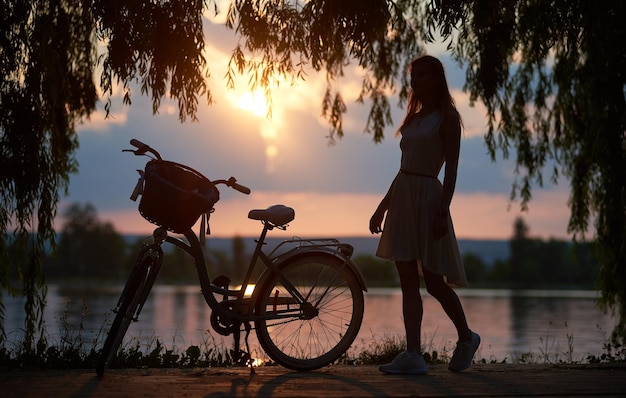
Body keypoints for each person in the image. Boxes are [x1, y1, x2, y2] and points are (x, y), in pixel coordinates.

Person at [369, 55, 480, 375]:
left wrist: (443, 210)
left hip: (429, 198)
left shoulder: (447, 117)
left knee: (433, 281)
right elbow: (404, 168)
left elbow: (453, 168)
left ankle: (467, 337)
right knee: (407, 280)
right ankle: (414, 354)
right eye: (413, 75)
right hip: (404, 196)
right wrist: (382, 206)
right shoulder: (413, 118)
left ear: (437, 78)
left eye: (421, 75)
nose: (415, 81)